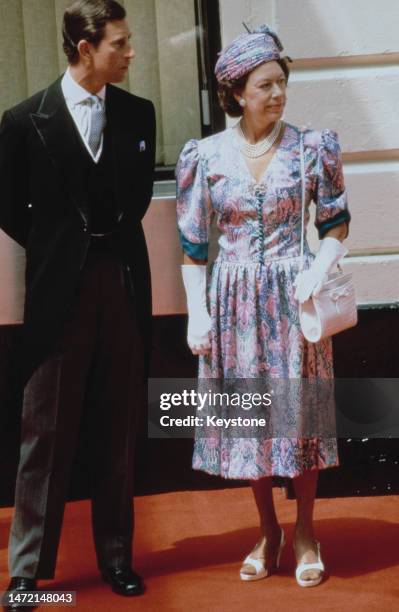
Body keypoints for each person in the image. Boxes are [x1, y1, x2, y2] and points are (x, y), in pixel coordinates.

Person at [176, 25, 350, 588]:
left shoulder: (311, 147)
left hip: (293, 304)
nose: (277, 94)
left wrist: (318, 269)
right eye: (265, 86)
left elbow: (335, 225)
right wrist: (196, 313)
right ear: (237, 94)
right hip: (233, 308)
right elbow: (194, 245)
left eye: (281, 83)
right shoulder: (205, 156)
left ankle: (305, 530)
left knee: (297, 420)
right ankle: (267, 529)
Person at [0, 0, 155, 607]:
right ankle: (26, 573)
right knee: (45, 429)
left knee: (119, 425)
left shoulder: (137, 114)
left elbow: (137, 198)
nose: (132, 52)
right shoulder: (23, 121)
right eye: (120, 42)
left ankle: (117, 559)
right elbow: (9, 207)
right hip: (56, 293)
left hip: (121, 284)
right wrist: (60, 247)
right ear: (85, 48)